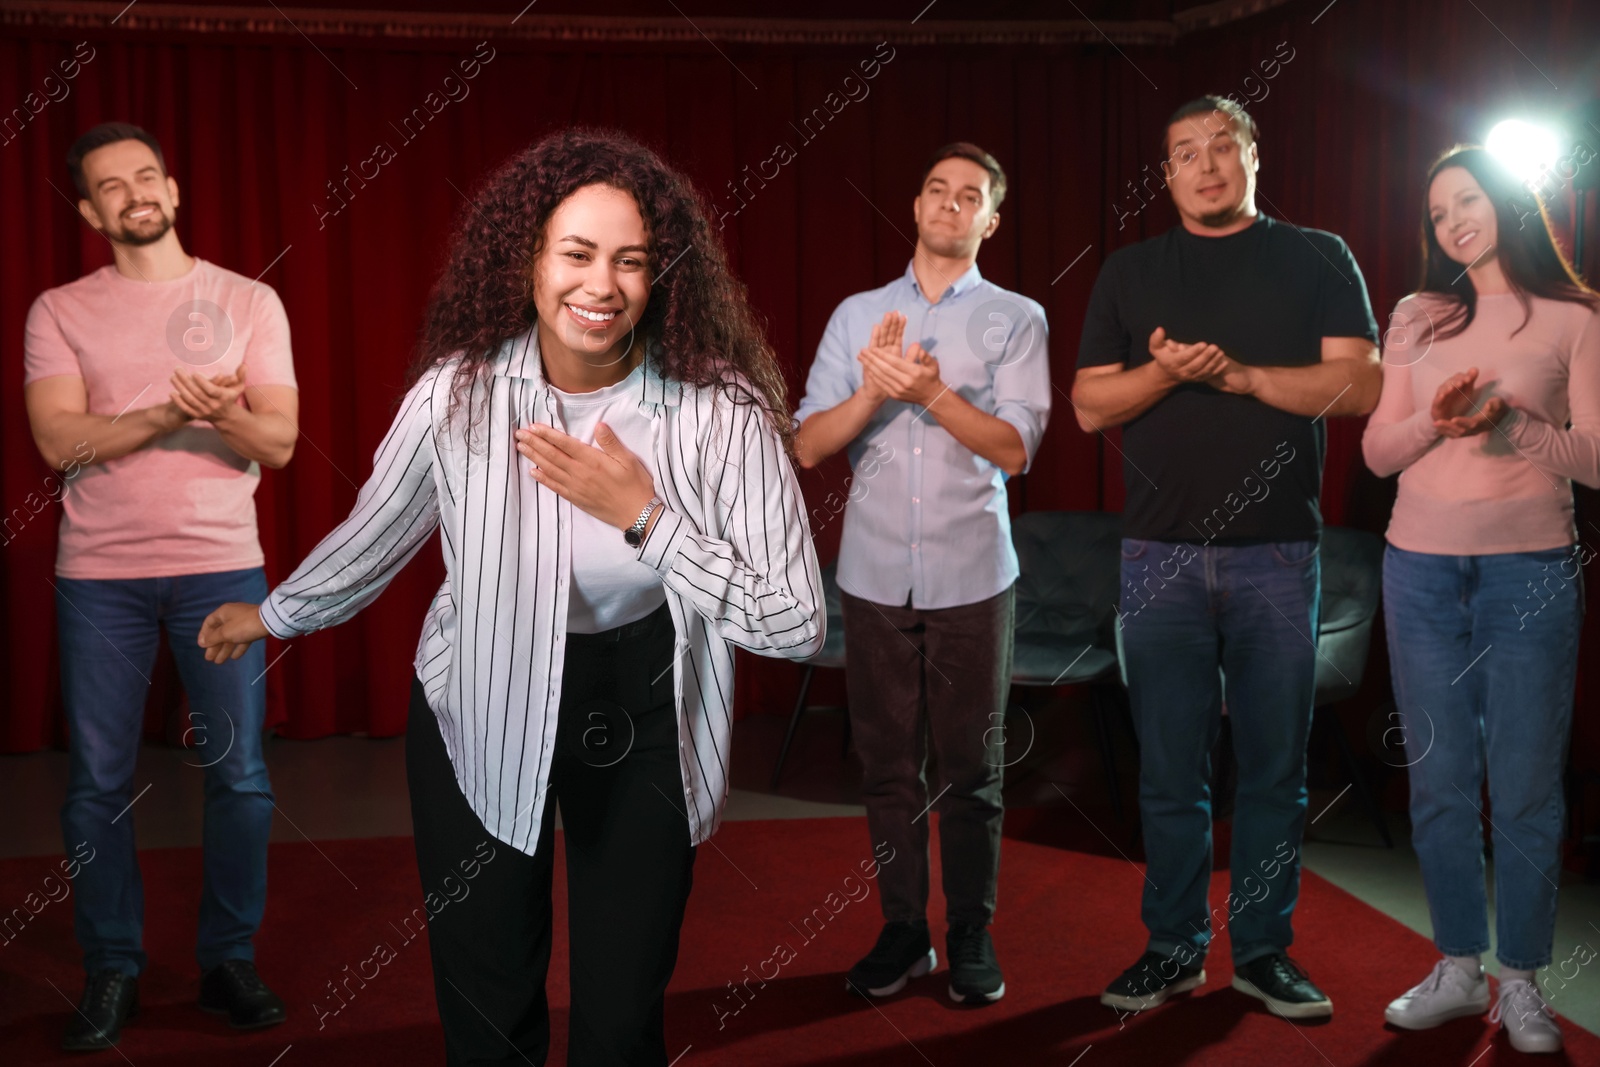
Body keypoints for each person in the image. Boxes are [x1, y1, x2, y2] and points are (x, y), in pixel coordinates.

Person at [198, 127, 823, 1066]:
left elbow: (796, 620)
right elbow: (377, 533)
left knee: (622, 1013)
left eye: (631, 262)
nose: (600, 285)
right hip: (478, 700)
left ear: (664, 279)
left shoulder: (721, 410)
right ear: (528, 260)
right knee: (487, 1005)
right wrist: (275, 613)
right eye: (576, 253)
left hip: (651, 707)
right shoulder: (459, 395)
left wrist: (646, 517)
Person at [1072, 95, 1380, 1021]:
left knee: (1276, 769)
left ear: (1252, 156)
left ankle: (1263, 951)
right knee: (1170, 768)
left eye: (1221, 147)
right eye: (1184, 153)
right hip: (1158, 559)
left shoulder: (1319, 255)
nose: (1205, 165)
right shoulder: (1130, 272)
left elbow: (1361, 383)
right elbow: (1090, 405)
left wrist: (1244, 376)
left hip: (1277, 558)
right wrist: (1166, 371)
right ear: (1165, 174)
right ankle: (1171, 948)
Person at [22, 122, 300, 1051]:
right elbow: (61, 443)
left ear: (173, 191)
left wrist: (220, 415)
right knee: (97, 783)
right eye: (111, 185)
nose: (133, 193)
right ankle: (113, 967)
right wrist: (173, 410)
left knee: (241, 774)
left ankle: (227, 961)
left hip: (223, 567)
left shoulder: (248, 300)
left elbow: (279, 441)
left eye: (146, 176)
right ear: (89, 210)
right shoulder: (57, 310)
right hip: (100, 577)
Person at [794, 142, 1050, 1005]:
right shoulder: (858, 313)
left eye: (968, 195)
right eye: (936, 189)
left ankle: (970, 933)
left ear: (990, 219)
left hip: (973, 574)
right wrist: (874, 392)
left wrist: (935, 394)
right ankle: (904, 931)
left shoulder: (1017, 317)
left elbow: (1015, 449)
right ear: (915, 205)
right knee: (886, 766)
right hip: (871, 577)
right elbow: (807, 443)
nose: (949, 204)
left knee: (973, 771)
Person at [1363, 145, 1599, 1055]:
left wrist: (1516, 425)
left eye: (1466, 200)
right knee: (1439, 780)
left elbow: (1596, 456)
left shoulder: (1575, 316)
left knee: (1529, 786)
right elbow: (1380, 452)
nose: (1452, 220)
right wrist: (1441, 422)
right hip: (1417, 569)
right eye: (1436, 212)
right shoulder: (1417, 315)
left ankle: (1523, 982)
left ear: (1508, 200)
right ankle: (1458, 966)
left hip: (1531, 572)